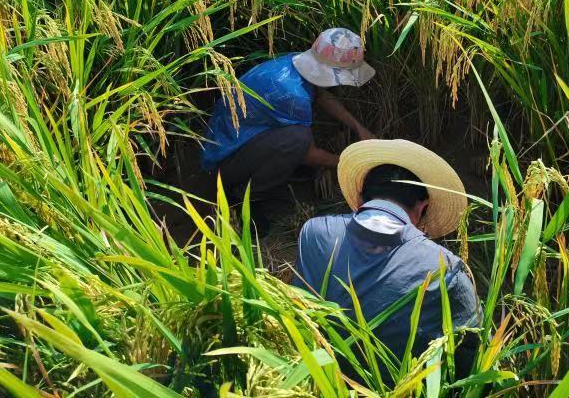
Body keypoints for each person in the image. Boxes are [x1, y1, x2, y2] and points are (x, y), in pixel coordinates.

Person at [292, 139, 480, 380]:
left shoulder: (314, 233)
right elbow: (472, 351)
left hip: (314, 382)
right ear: (423, 208)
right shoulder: (445, 268)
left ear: (360, 198)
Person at [201, 28, 376, 232]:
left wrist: (359, 128)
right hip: (223, 163)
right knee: (298, 139)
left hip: (236, 142)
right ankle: (246, 196)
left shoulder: (293, 64)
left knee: (296, 139)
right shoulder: (294, 96)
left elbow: (322, 96)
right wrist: (353, 164)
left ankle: (269, 174)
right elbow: (308, 154)